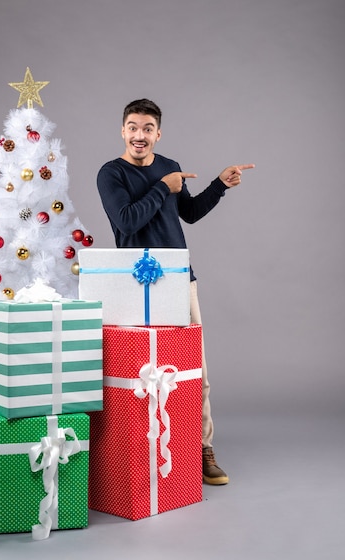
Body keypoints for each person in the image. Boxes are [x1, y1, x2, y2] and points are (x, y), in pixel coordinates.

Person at [97, 98, 255, 485]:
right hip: (132, 281)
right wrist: (161, 187)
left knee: (195, 370)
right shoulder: (110, 173)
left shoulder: (169, 166)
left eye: (147, 128)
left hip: (179, 278)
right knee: (132, 372)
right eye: (133, 127)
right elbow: (127, 221)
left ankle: (202, 450)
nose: (139, 135)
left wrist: (220, 184)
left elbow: (189, 212)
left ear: (158, 134)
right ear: (122, 131)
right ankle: (132, 455)